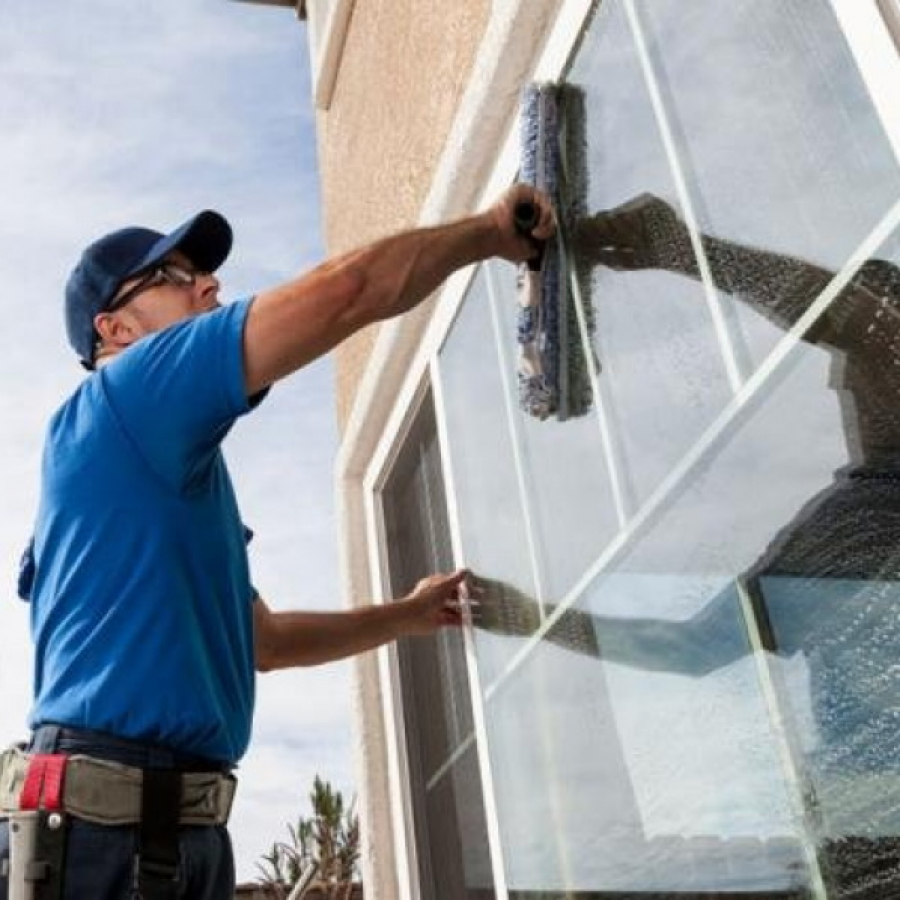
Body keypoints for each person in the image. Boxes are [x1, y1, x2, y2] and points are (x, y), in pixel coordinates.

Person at [0, 183, 555, 900]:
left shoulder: (163, 478)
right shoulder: (129, 397)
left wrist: (408, 615)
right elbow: (347, 291)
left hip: (167, 833)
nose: (208, 285)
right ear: (116, 330)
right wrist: (487, 232)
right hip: (108, 839)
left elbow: (263, 642)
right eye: (174, 277)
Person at [478, 193, 900, 899]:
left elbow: (690, 649)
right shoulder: (862, 519)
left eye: (854, 367)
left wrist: (531, 620)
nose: (840, 387)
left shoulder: (862, 525)